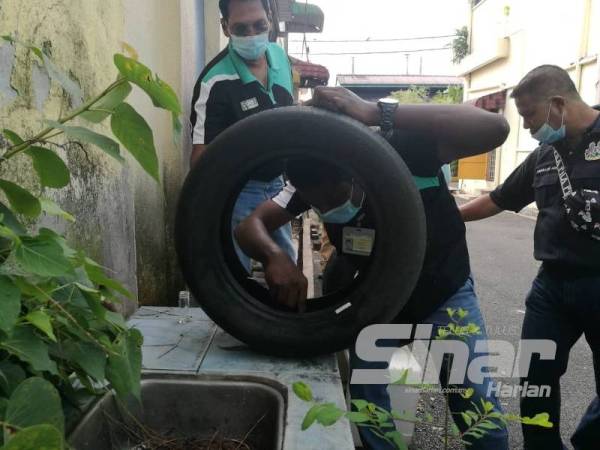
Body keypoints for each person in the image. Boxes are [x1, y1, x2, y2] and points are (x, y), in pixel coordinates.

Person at [235, 86, 511, 450]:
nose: (326, 209)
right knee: (368, 406)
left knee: (478, 409)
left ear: (353, 173)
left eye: (333, 199)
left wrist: (374, 111)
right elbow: (249, 225)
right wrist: (274, 255)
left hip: (443, 290)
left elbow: (495, 128)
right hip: (380, 299)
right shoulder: (310, 176)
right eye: (317, 204)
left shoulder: (404, 151)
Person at [460, 65, 600, 450]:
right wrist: (447, 217)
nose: (526, 127)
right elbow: (498, 199)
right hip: (552, 287)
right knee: (536, 379)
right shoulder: (543, 156)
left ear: (557, 104)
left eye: (529, 116)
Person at [190, 0, 296, 272]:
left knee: (286, 263)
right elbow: (201, 156)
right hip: (238, 190)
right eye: (241, 28)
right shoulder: (214, 82)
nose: (252, 35)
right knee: (234, 274)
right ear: (225, 28)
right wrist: (210, 209)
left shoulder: (280, 58)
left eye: (259, 26)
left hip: (277, 187)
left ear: (269, 21)